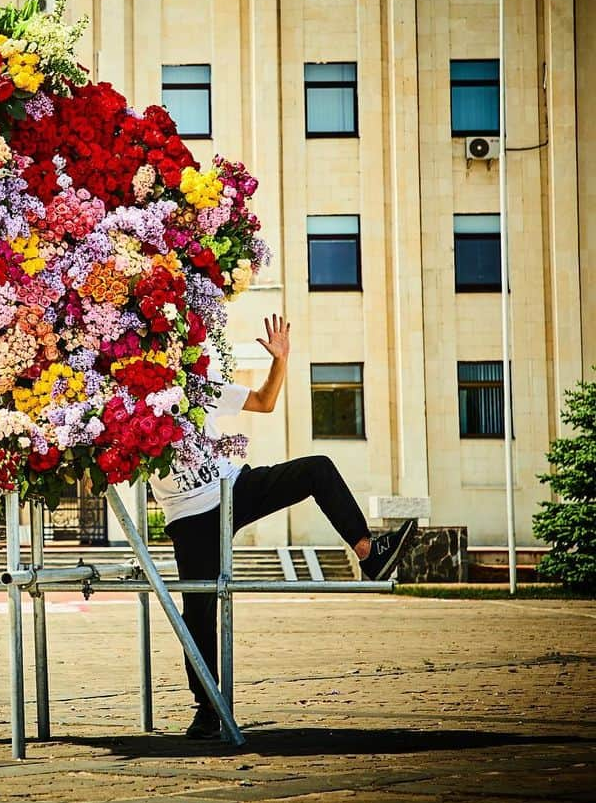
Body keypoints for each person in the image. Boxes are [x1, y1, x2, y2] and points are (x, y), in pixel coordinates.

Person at [149, 313, 417, 740]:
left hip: (233, 487)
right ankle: (207, 709)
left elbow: (263, 401)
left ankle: (369, 552)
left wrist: (281, 360)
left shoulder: (197, 389)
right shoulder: (124, 404)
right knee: (198, 610)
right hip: (188, 514)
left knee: (317, 469)